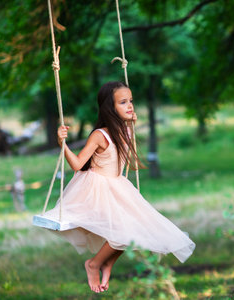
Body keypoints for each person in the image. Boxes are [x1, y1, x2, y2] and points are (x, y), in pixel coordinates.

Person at [43, 81, 195, 293]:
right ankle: (94, 264)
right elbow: (78, 165)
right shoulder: (99, 135)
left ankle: (108, 263)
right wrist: (63, 145)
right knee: (121, 232)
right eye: (123, 102)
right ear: (109, 108)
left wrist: (132, 121)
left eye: (131, 101)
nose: (130, 106)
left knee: (133, 230)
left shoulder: (126, 131)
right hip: (95, 189)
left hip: (118, 186)